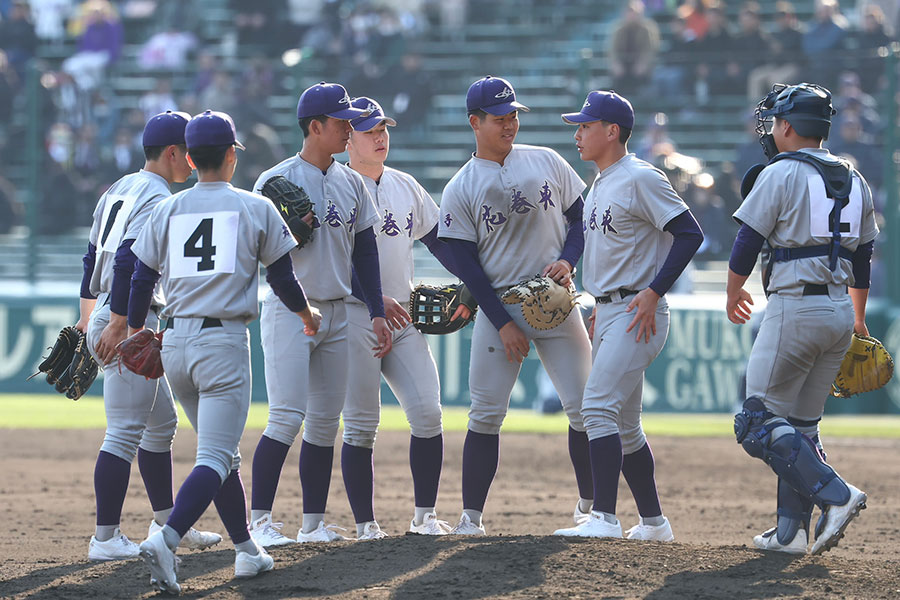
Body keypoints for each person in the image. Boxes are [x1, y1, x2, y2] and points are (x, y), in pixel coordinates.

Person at [130, 110, 320, 593]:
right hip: (222, 343)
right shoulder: (255, 207)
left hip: (174, 342)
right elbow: (281, 278)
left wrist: (135, 329)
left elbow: (139, 278)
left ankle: (246, 549)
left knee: (225, 455)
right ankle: (167, 537)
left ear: (190, 158)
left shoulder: (166, 210)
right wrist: (305, 315)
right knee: (214, 455)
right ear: (233, 154)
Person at [437, 76, 594, 535]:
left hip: (558, 303)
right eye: (500, 117)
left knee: (584, 409)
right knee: (485, 413)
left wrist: (568, 259)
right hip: (499, 308)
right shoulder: (461, 186)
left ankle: (592, 508)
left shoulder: (545, 159)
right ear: (474, 122)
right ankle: (470, 518)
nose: (510, 124)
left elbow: (579, 217)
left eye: (514, 116)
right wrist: (504, 322)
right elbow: (466, 265)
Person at [726, 82, 875, 555]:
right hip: (836, 309)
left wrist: (733, 292)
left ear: (788, 126)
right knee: (802, 427)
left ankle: (837, 494)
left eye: (775, 121)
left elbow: (748, 240)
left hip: (795, 306)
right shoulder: (856, 177)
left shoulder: (781, 171)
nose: (770, 129)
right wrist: (857, 317)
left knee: (754, 422)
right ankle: (789, 534)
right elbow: (865, 255)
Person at [552, 90, 703, 540]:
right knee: (625, 425)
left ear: (612, 131)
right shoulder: (601, 182)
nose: (577, 134)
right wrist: (599, 303)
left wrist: (654, 292)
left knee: (595, 406)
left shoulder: (640, 177)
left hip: (639, 310)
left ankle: (602, 517)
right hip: (612, 310)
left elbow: (689, 234)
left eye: (585, 126)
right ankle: (654, 523)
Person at [74, 111, 223, 562]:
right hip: (126, 316)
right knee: (122, 433)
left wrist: (89, 318)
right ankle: (105, 539)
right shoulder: (159, 197)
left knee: (161, 425)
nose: (194, 163)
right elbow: (127, 260)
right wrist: (120, 321)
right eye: (190, 154)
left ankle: (167, 522)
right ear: (174, 152)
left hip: (108, 311)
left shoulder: (120, 186)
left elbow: (89, 256)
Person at [248, 82, 391, 546]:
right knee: (286, 417)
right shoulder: (273, 181)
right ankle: (260, 523)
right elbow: (261, 255)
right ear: (315, 126)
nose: (350, 127)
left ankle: (312, 524)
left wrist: (374, 311)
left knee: (326, 425)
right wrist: (289, 235)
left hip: (337, 312)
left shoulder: (352, 181)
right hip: (291, 312)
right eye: (341, 121)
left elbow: (366, 253)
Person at [341, 96, 469, 539]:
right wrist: (374, 298)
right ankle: (365, 525)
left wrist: (476, 281)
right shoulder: (335, 187)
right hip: (354, 316)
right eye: (370, 131)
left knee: (428, 412)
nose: (380, 137)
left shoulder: (404, 185)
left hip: (402, 313)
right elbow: (327, 264)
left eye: (383, 129)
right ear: (346, 139)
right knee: (360, 423)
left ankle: (424, 517)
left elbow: (440, 241)